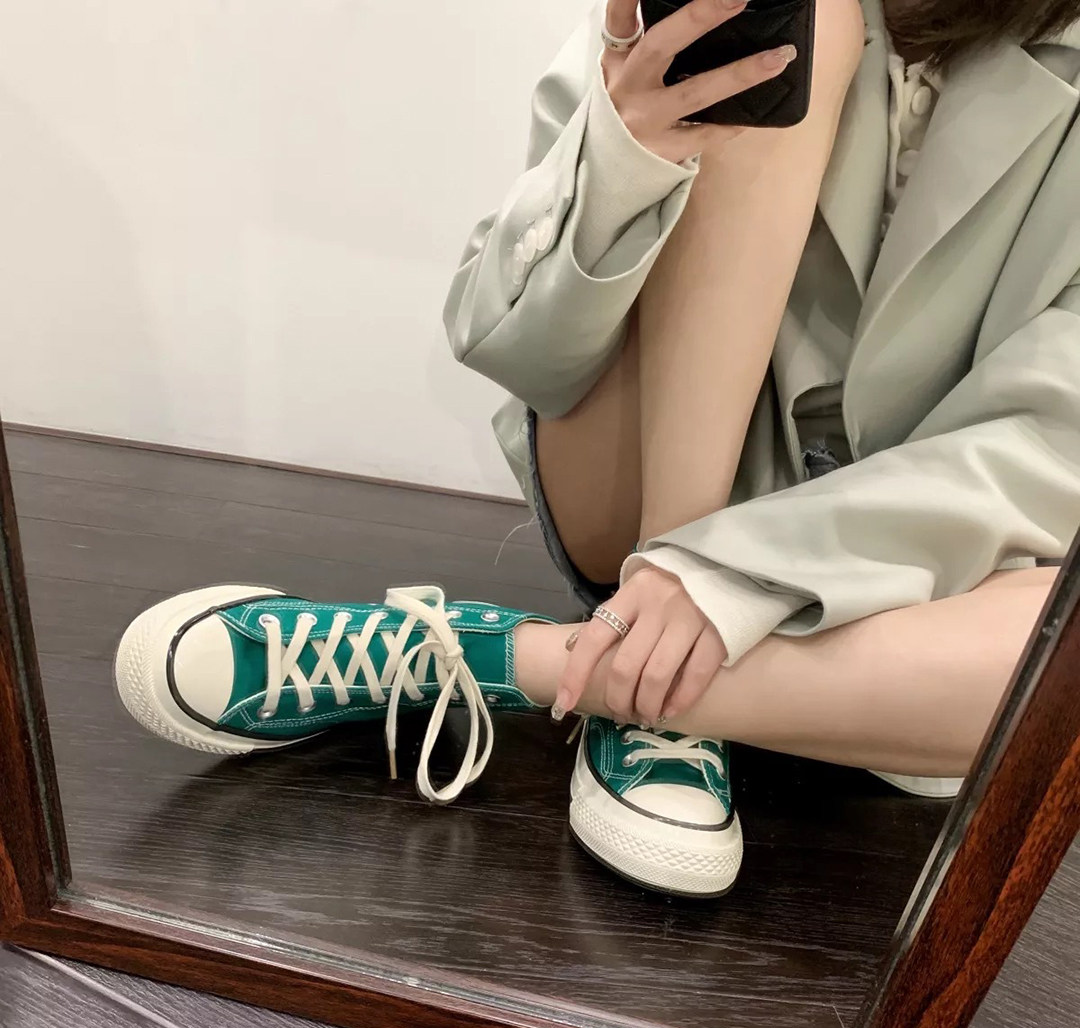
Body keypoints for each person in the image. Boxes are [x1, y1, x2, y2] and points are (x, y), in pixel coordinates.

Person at [116, 0, 1080, 898]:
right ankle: (691, 646)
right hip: (643, 495)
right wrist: (627, 159)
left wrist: (739, 575)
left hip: (926, 573)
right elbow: (510, 344)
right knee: (797, 26)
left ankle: (511, 659)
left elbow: (1052, 445)